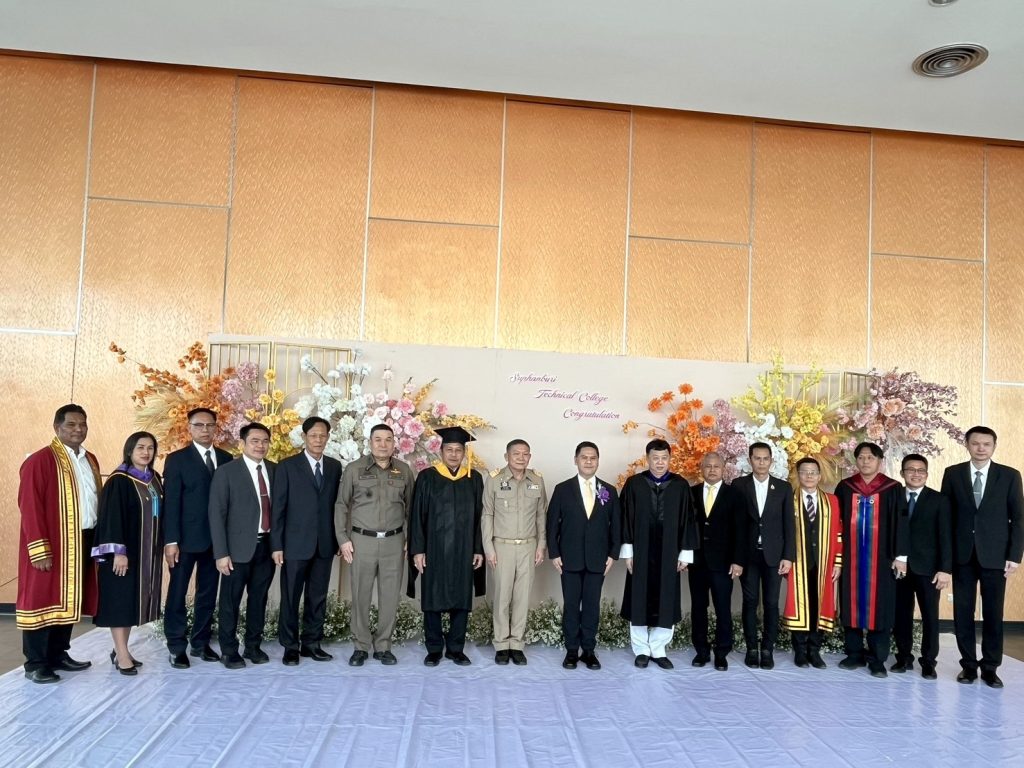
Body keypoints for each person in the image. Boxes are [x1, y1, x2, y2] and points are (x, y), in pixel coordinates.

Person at [16, 404, 100, 684]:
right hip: (53, 542)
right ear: (57, 427)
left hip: (83, 539)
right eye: (71, 425)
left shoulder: (90, 459)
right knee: (43, 600)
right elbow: (29, 507)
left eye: (82, 424)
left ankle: (58, 654)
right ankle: (36, 663)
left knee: (68, 599)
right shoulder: (40, 461)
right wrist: (38, 548)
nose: (78, 429)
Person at [941, 426, 1023, 688]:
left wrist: (1015, 555)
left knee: (993, 613)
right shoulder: (953, 474)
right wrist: (945, 558)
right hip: (962, 555)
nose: (981, 448)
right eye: (975, 443)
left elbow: (1018, 518)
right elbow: (946, 518)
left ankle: (990, 667)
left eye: (986, 444)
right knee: (962, 613)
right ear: (966, 444)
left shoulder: (1010, 476)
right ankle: (968, 666)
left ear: (994, 446)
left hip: (995, 556)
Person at [337, 423, 415, 666]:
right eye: (378, 439)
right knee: (360, 594)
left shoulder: (403, 470)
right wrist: (342, 538)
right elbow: (341, 505)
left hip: (394, 541)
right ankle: (360, 646)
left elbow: (412, 508)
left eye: (388, 439)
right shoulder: (354, 469)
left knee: (390, 596)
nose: (383, 444)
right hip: (362, 541)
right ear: (370, 443)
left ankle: (383, 646)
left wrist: (410, 539)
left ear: (394, 444)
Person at [409, 426, 485, 666]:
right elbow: (417, 516)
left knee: (461, 600)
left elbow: (480, 517)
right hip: (434, 550)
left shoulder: (474, 479)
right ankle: (434, 649)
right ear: (441, 452)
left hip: (464, 550)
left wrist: (478, 549)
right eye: (449, 449)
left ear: (464, 453)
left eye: (458, 450)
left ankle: (455, 648)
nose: (453, 454)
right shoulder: (427, 477)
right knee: (432, 599)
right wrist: (418, 550)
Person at [162, 407, 232, 669]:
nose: (205, 430)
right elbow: (171, 502)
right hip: (184, 540)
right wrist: (171, 541)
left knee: (208, 593)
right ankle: (176, 646)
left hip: (216, 541)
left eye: (209, 425)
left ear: (216, 428)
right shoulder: (177, 459)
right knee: (177, 593)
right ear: (189, 428)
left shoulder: (226, 458)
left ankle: (200, 643)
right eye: (199, 425)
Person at [619, 439, 698, 670]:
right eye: (655, 458)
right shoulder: (635, 484)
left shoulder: (680, 485)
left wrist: (685, 554)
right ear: (648, 459)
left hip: (669, 553)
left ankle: (659, 648)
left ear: (670, 459)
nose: (660, 463)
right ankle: (641, 649)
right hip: (641, 552)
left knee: (667, 598)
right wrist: (628, 552)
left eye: (664, 458)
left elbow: (689, 519)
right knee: (638, 597)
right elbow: (625, 518)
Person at [92, 432, 164, 675]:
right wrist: (118, 553)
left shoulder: (153, 479)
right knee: (121, 603)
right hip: (123, 555)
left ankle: (121, 649)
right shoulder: (119, 480)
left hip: (145, 554)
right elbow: (111, 518)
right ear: (130, 450)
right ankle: (122, 654)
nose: (146, 452)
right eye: (140, 447)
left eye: (150, 448)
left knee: (131, 602)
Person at [271, 417, 342, 665]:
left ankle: (312, 643)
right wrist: (276, 545)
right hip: (294, 544)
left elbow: (337, 507)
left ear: (328, 438)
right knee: (291, 597)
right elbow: (278, 508)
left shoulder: (334, 466)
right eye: (313, 435)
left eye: (323, 435)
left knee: (318, 596)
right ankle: (290, 646)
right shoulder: (287, 466)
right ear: (304, 437)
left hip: (324, 544)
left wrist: (338, 539)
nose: (318, 440)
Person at [546, 441, 620, 671]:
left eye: (593, 458)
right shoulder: (562, 489)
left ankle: (588, 650)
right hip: (569, 559)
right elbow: (551, 524)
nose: (589, 461)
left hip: (598, 559)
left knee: (591, 606)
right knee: (571, 606)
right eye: (584, 457)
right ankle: (571, 651)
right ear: (575, 460)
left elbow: (616, 525)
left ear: (598, 461)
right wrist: (554, 553)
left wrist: (613, 554)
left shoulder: (609, 490)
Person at [208, 422, 277, 669]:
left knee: (258, 600)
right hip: (236, 551)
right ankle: (229, 650)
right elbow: (216, 515)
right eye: (255, 441)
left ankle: (253, 646)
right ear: (242, 444)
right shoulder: (226, 472)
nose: (260, 446)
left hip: (266, 548)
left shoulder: (275, 470)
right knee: (230, 602)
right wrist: (221, 553)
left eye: (265, 441)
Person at [834, 442, 903, 678]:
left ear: (880, 461)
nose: (865, 462)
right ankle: (854, 653)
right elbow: (836, 523)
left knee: (880, 607)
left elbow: (900, 523)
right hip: (851, 558)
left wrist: (899, 556)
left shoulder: (893, 488)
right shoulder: (845, 487)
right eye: (861, 457)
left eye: (870, 458)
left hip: (882, 560)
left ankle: (877, 658)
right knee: (850, 603)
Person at [482, 438, 547, 666]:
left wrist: (541, 544)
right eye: (516, 453)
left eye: (525, 454)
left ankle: (517, 644)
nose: (521, 457)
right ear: (506, 456)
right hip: (502, 547)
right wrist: (488, 547)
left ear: (530, 457)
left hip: (528, 546)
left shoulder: (537, 480)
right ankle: (501, 644)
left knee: (522, 598)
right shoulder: (494, 480)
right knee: (502, 597)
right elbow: (487, 515)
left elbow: (541, 515)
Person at [731, 441, 794, 670]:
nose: (761, 462)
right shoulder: (739, 485)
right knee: (750, 602)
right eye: (757, 458)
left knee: (771, 603)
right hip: (748, 556)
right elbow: (735, 526)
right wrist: (736, 558)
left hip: (774, 556)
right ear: (750, 460)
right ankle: (752, 649)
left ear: (771, 461)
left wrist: (788, 556)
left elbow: (789, 525)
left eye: (765, 458)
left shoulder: (783, 487)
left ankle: (767, 649)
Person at [891, 453, 951, 679]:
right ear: (902, 473)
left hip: (929, 569)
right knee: (901, 615)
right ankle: (903, 657)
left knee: (930, 617)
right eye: (910, 470)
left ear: (926, 474)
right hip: (899, 567)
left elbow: (946, 537)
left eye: (920, 470)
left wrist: (945, 569)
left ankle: (928, 661)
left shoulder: (939, 500)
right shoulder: (893, 497)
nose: (915, 474)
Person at [783, 457, 842, 669]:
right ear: (798, 475)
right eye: (804, 472)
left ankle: (814, 650)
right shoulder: (788, 499)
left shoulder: (832, 501)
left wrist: (837, 562)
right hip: (798, 562)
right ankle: (800, 650)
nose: (809, 476)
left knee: (820, 604)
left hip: (824, 561)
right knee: (799, 604)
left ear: (819, 475)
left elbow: (838, 533)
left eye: (813, 472)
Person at [688, 451, 742, 671]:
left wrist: (738, 561)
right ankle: (701, 651)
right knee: (698, 608)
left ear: (723, 469)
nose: (712, 470)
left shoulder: (735, 494)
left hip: (723, 563)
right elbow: (685, 528)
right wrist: (685, 556)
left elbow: (740, 530)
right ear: (702, 469)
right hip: (697, 563)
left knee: (723, 609)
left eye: (716, 466)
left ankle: (722, 653)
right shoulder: (691, 493)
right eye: (708, 466)